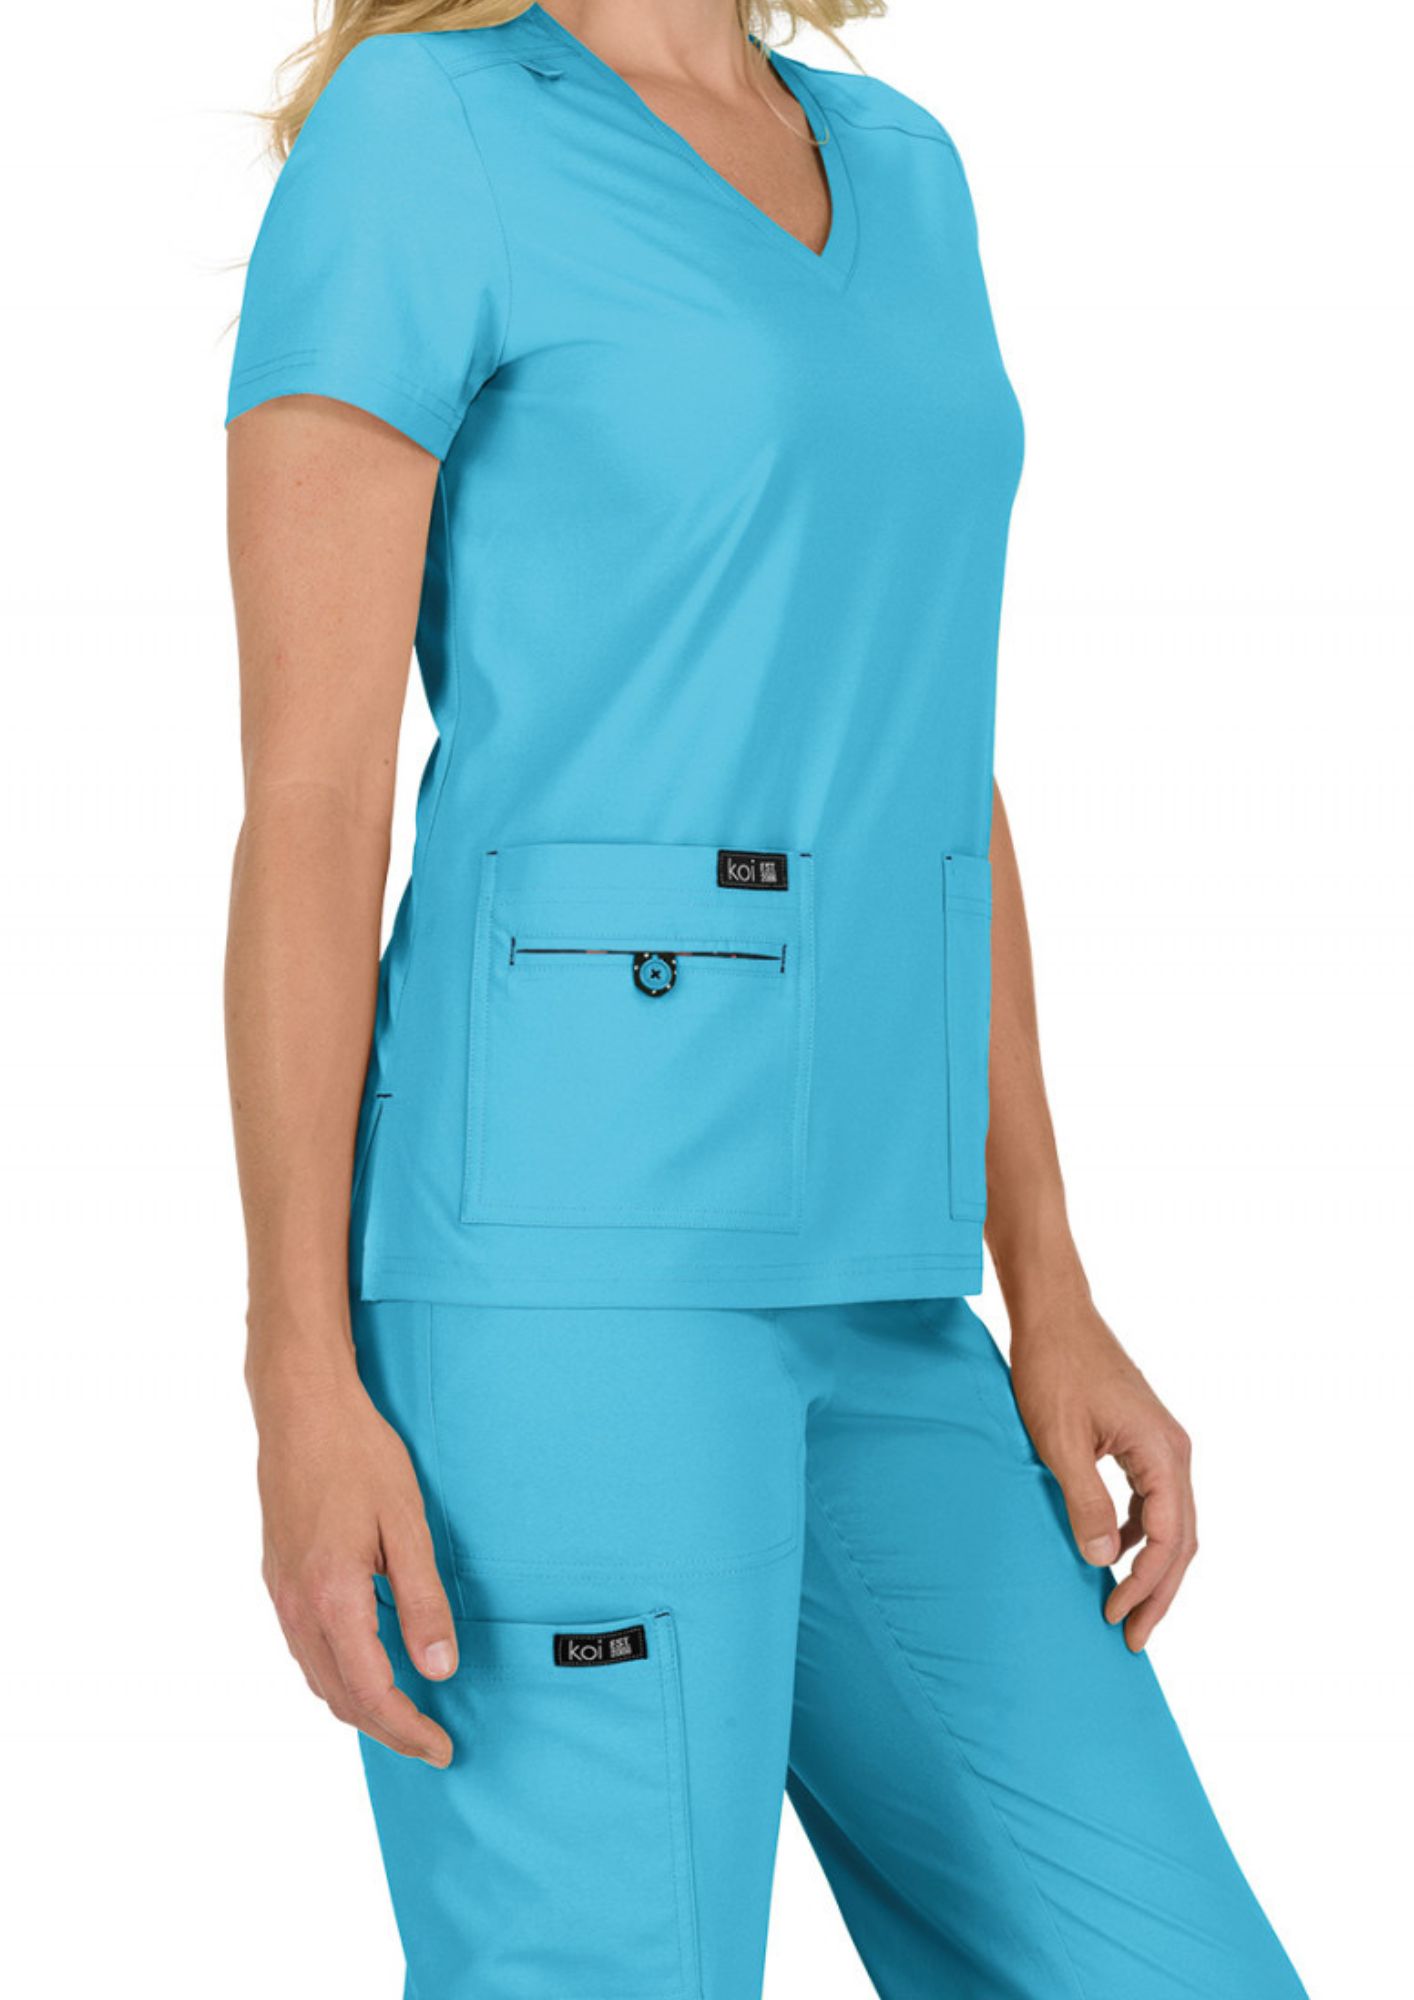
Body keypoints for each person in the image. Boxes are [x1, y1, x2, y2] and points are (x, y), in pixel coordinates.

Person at [224, 3, 1308, 1994]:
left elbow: (926, 755)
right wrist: (296, 1368)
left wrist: (1047, 1278)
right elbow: (310, 808)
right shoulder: (424, 135)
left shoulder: (902, 168)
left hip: (887, 1289)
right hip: (568, 1278)